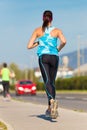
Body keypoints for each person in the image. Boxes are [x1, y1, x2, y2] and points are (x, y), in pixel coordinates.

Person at [27, 10, 66, 119]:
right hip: (54, 57)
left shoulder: (37, 30)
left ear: (43, 18)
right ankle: (51, 108)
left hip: (43, 57)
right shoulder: (57, 30)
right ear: (52, 19)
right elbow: (64, 41)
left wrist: (38, 43)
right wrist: (57, 49)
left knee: (47, 81)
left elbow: (29, 46)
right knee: (52, 82)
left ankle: (52, 101)